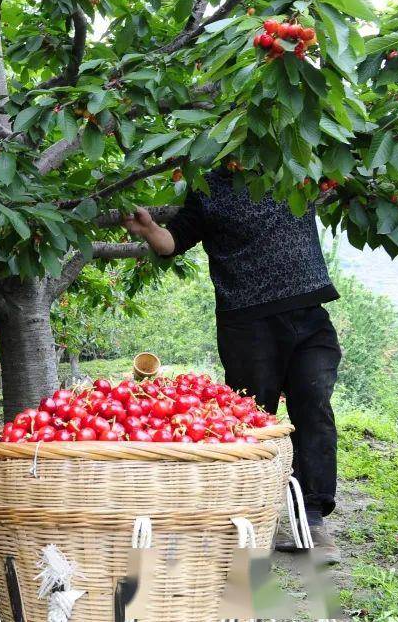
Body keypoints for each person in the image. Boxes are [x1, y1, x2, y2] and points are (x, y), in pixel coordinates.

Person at [123, 166, 342, 563]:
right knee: (252, 417)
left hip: (309, 312)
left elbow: (347, 161)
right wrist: (150, 229)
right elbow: (174, 241)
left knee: (314, 405)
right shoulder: (209, 186)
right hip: (247, 322)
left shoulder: (292, 165)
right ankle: (247, 517)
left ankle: (311, 520)